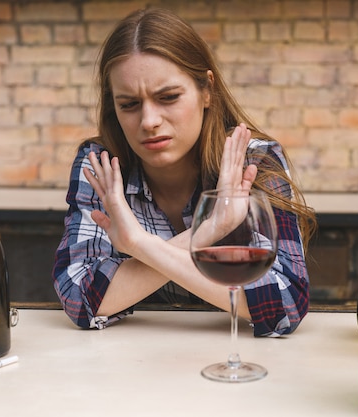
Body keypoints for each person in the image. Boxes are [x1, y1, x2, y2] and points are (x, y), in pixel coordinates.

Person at [52, 7, 317, 337]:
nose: (149, 121)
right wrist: (209, 231)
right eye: (129, 104)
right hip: (134, 362)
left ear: (206, 90)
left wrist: (139, 246)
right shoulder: (101, 164)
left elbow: (286, 302)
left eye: (168, 97)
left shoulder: (254, 160)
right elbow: (79, 297)